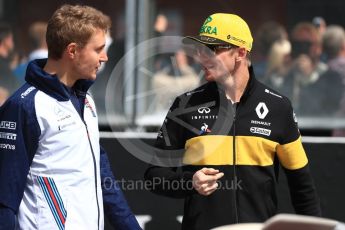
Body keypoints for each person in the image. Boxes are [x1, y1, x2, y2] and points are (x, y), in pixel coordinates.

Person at [144, 13, 321, 230]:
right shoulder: (185, 105)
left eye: (212, 49)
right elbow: (154, 175)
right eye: (199, 49)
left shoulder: (278, 107)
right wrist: (189, 182)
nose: (201, 56)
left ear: (240, 52)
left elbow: (302, 186)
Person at [0, 4, 141, 230]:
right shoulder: (24, 105)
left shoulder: (85, 100)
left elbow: (103, 179)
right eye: (98, 49)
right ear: (72, 50)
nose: (104, 57)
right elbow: (5, 198)